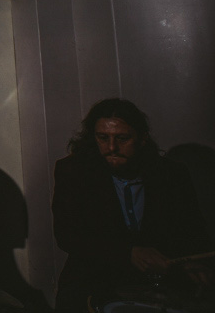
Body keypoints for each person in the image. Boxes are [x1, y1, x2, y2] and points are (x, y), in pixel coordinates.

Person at [52, 98, 213, 312]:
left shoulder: (172, 174)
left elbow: (193, 230)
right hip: (92, 282)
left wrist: (194, 263)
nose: (111, 148)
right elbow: (67, 235)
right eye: (102, 138)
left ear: (143, 138)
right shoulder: (73, 172)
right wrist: (127, 252)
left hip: (158, 283)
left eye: (122, 138)